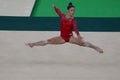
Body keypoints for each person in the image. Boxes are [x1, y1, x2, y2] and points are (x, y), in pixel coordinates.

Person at [26, 2, 103, 53]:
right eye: (72, 10)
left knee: (82, 43)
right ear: (68, 10)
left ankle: (96, 48)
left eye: (74, 10)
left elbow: (75, 28)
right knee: (48, 41)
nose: (73, 12)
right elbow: (58, 12)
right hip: (62, 38)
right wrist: (54, 7)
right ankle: (33, 44)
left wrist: (78, 35)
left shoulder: (73, 20)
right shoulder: (62, 16)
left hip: (70, 38)